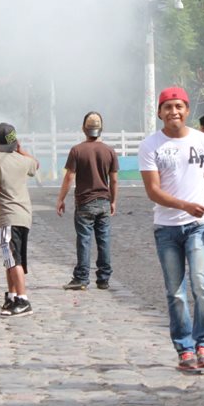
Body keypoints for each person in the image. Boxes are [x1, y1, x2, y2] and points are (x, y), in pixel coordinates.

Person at [138, 86, 204, 373]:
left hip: (198, 226)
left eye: (179, 106)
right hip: (166, 228)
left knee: (201, 284)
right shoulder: (150, 146)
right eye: (168, 107)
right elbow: (153, 191)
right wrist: (185, 205)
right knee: (175, 292)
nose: (174, 111)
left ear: (187, 110)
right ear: (160, 112)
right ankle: (185, 348)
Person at [0, 122, 40, 317]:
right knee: (10, 258)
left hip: (9, 216)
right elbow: (35, 164)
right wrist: (20, 149)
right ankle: (12, 296)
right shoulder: (22, 160)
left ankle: (23, 299)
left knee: (13, 260)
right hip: (24, 216)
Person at [57, 112, 118, 291]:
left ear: (84, 128)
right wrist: (113, 201)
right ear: (101, 129)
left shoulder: (77, 150)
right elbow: (114, 180)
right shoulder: (109, 151)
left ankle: (81, 278)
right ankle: (103, 279)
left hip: (84, 202)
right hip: (104, 202)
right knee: (104, 240)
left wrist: (60, 199)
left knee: (84, 240)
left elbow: (69, 177)